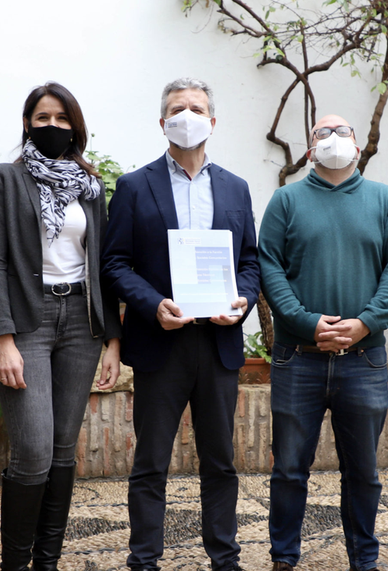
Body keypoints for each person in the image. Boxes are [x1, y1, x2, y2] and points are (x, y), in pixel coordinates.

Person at [102, 77, 261, 571]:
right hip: (160, 342)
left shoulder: (235, 187)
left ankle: (225, 558)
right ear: (162, 121)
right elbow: (115, 263)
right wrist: (152, 305)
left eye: (196, 108)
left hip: (218, 341)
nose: (186, 116)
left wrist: (242, 300)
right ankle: (144, 559)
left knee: (220, 462)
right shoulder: (134, 186)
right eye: (177, 109)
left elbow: (250, 261)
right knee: (151, 462)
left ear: (212, 121)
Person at [258, 115, 388, 571]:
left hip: (364, 359)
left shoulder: (385, 200)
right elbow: (269, 266)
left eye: (342, 131)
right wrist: (306, 323)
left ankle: (364, 559)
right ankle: (284, 558)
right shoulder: (286, 200)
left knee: (363, 472)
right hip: (297, 358)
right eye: (321, 133)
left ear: (357, 145)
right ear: (310, 150)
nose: (333, 138)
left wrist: (366, 322)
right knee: (289, 469)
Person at [0, 82, 122, 571]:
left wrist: (112, 339)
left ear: (75, 126)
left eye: (62, 119)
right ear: (27, 123)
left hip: (81, 321)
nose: (53, 126)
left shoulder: (91, 186)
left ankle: (47, 562)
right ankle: (15, 564)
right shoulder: (5, 178)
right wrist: (3, 338)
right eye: (43, 118)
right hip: (27, 322)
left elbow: (100, 264)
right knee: (34, 449)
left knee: (63, 450)